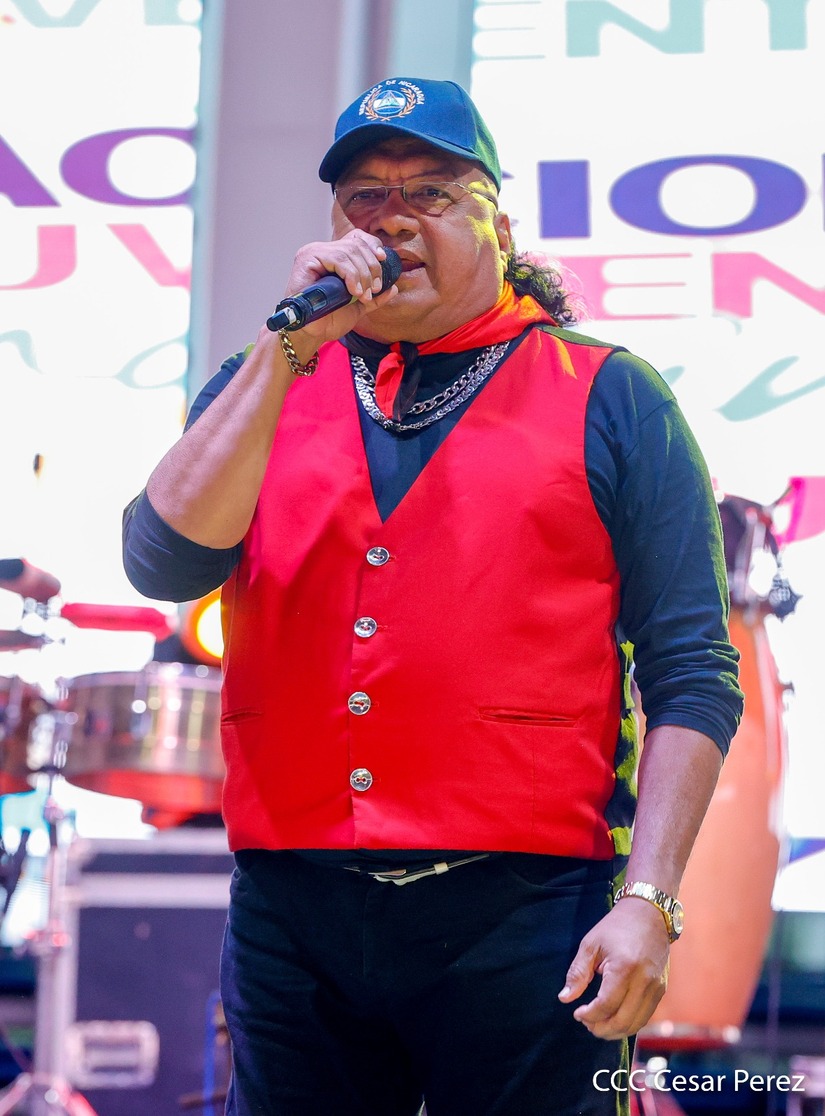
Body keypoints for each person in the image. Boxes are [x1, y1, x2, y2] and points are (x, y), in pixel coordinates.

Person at [123, 77, 743, 1116]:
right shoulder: (267, 379)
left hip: (528, 913)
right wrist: (284, 348)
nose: (395, 219)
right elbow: (162, 563)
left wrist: (649, 900)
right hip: (295, 911)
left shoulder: (611, 394)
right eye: (365, 198)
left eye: (432, 192)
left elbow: (693, 673)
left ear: (497, 219)